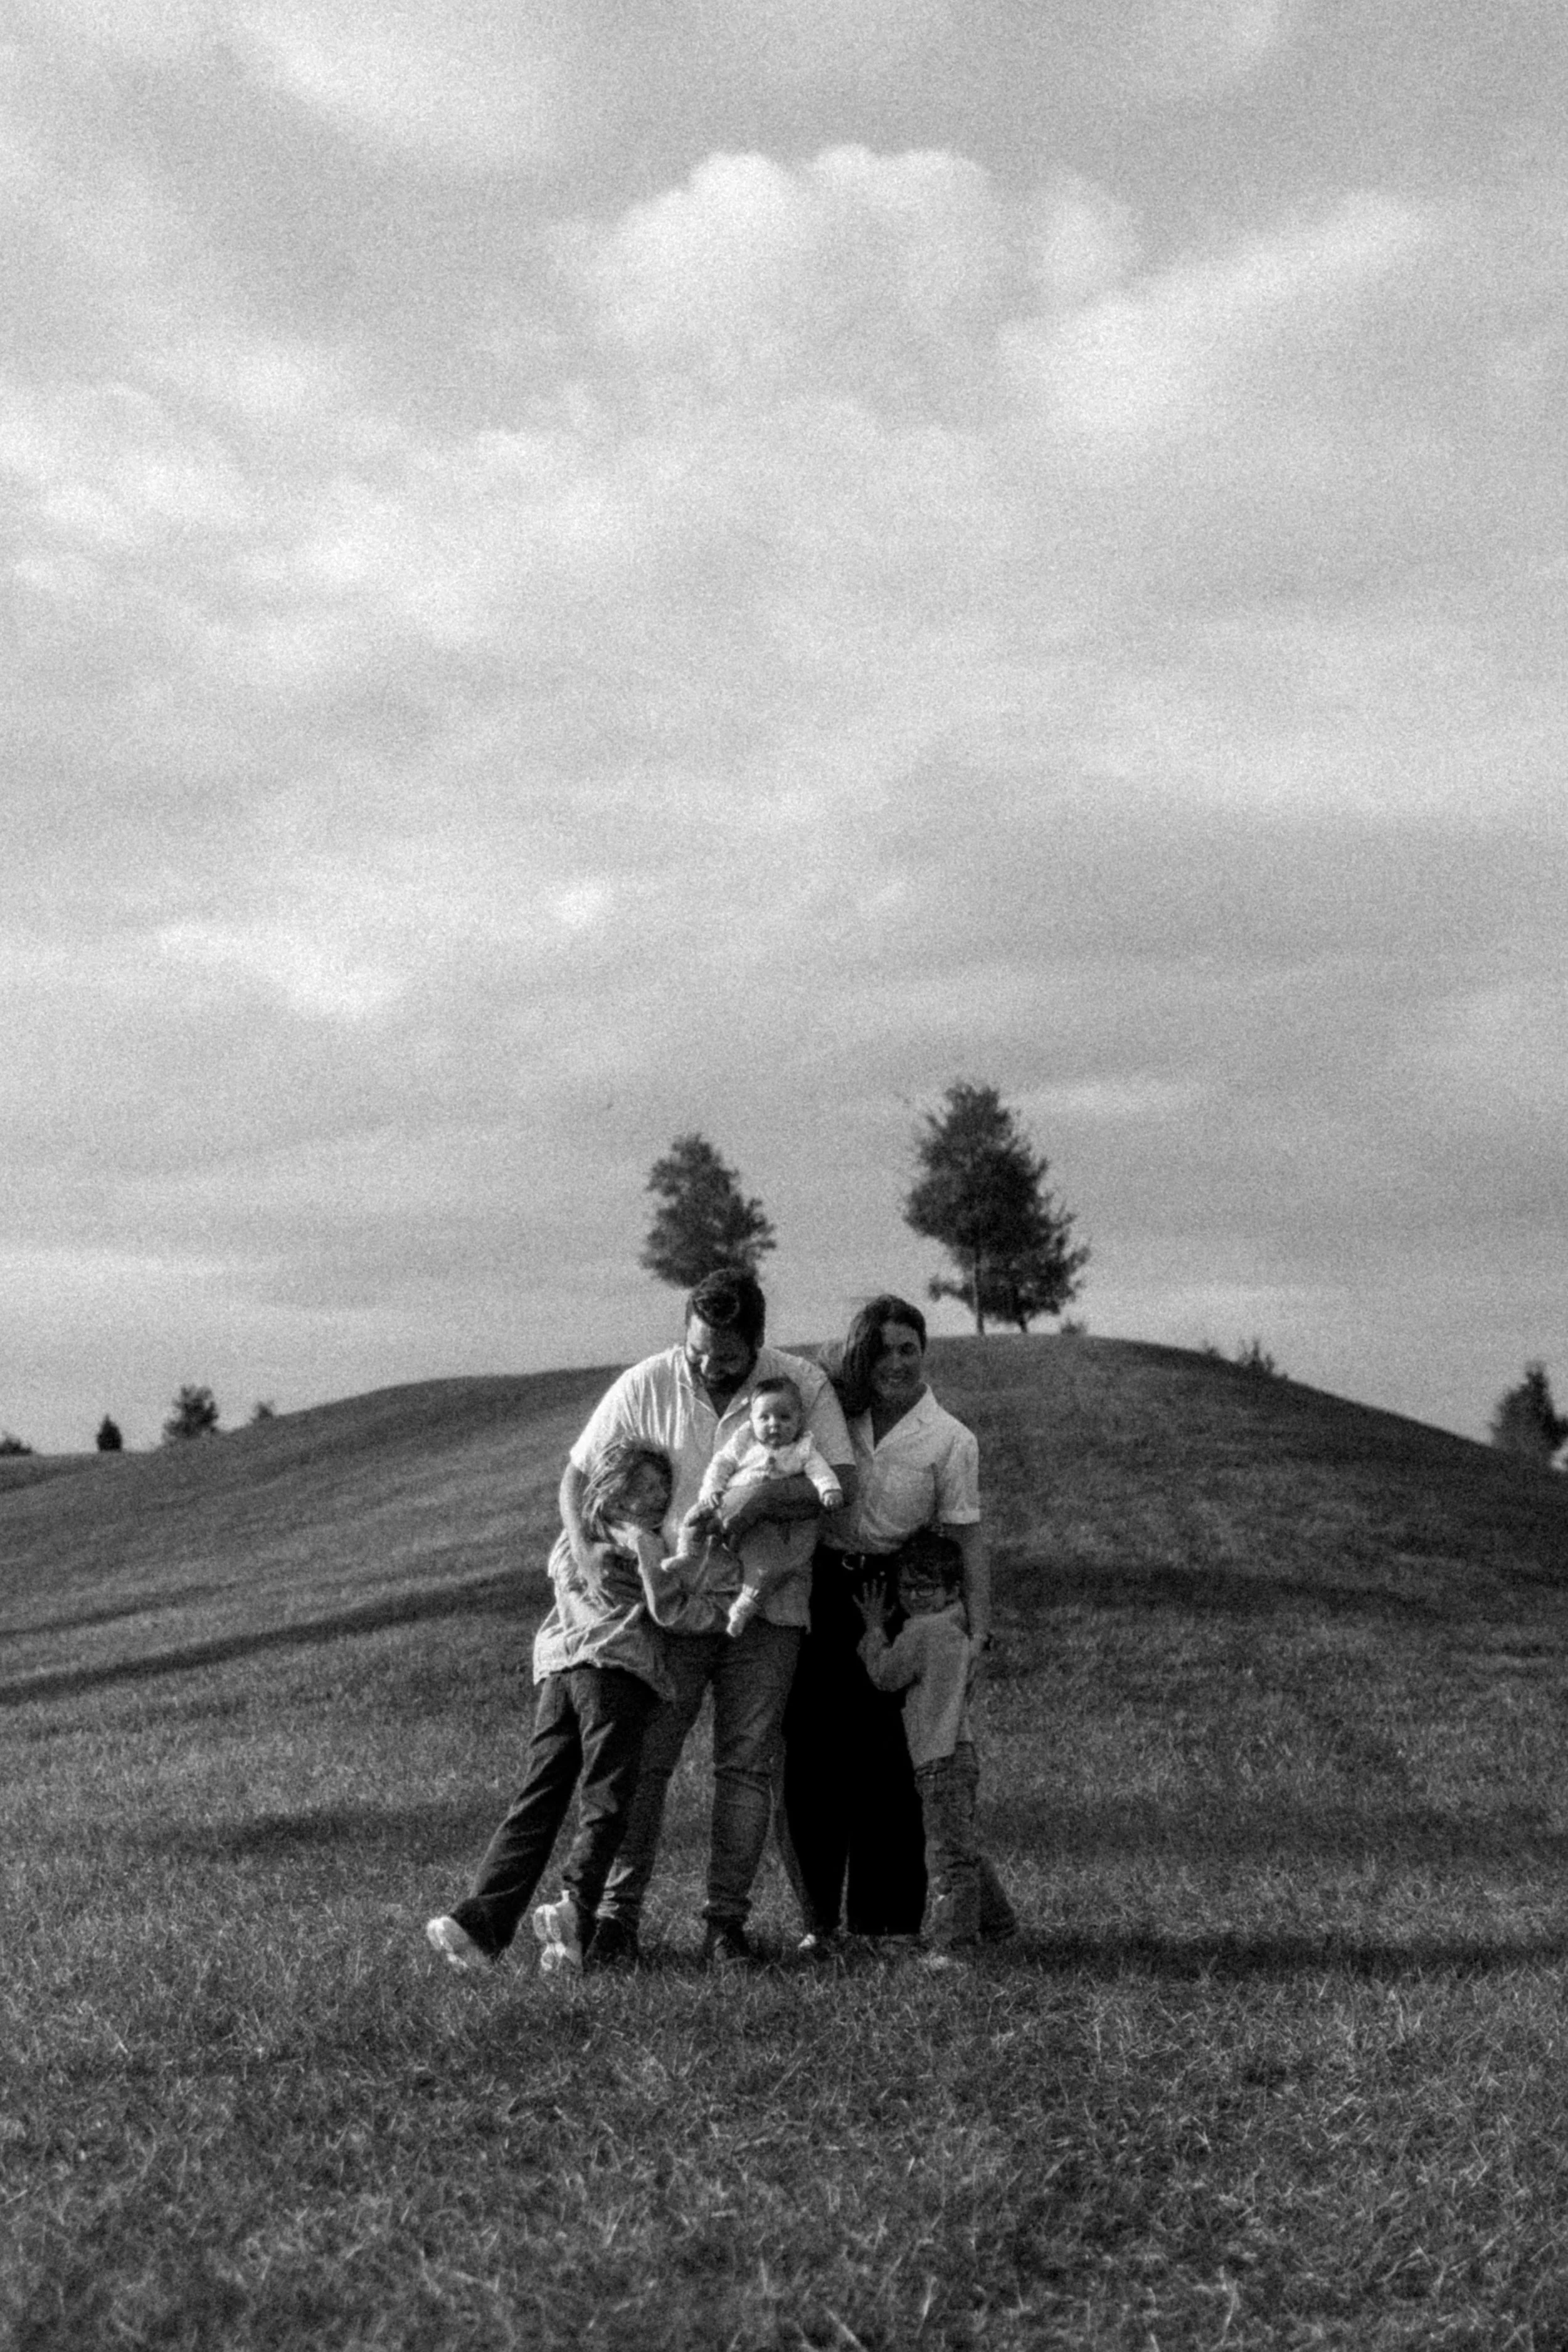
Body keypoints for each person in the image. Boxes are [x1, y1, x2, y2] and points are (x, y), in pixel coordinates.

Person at [559, 1268, 856, 1968]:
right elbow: (576, 1476)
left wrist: (758, 1504)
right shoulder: (647, 1384)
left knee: (745, 1766)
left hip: (767, 1607)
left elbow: (839, 1483)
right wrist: (583, 1546)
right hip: (673, 1608)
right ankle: (615, 1919)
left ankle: (725, 1924)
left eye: (724, 1356)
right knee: (648, 1761)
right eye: (697, 1349)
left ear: (756, 1343)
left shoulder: (801, 1385)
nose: (706, 1364)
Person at [425, 1440, 724, 1975]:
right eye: (648, 1487)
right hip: (615, 1673)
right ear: (613, 1490)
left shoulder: (573, 1542)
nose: (660, 1498)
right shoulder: (642, 1540)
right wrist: (707, 1582)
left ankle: (478, 1923)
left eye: (663, 1487)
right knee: (607, 1800)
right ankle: (576, 1911)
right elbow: (663, 1605)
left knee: (537, 1799)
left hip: (559, 1672)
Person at [780, 1294, 988, 1954]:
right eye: (884, 1350)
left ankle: (885, 1923)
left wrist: (977, 1629)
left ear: (924, 1353)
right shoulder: (835, 1418)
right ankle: (817, 1923)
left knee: (890, 1761)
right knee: (809, 1756)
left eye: (909, 1349)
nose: (896, 1363)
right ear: (861, 1355)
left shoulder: (949, 1438)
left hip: (895, 1599)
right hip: (819, 1589)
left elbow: (968, 1540)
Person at [854, 1530, 1015, 1969]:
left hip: (937, 1760)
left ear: (951, 1590)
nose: (915, 1597)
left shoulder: (921, 1633)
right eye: (908, 1587)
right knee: (962, 1846)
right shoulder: (957, 1624)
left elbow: (886, 1676)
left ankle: (953, 1946)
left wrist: (872, 1631)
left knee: (948, 1858)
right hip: (961, 1753)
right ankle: (998, 1924)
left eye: (927, 1588)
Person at [682, 1376, 845, 1637]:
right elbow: (720, 1464)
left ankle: (744, 1608)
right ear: (753, 1420)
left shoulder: (802, 1449)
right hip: (727, 1502)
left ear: (798, 1420)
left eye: (784, 1418)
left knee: (764, 1568)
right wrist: (711, 1491)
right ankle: (686, 1555)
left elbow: (820, 1471)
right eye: (765, 1418)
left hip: (768, 1526)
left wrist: (829, 1490)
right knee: (693, 1520)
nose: (774, 1425)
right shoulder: (745, 1441)